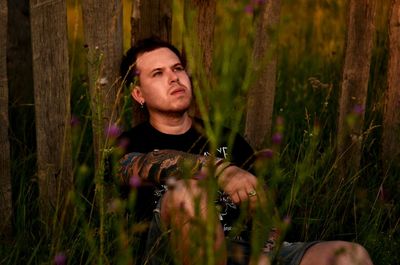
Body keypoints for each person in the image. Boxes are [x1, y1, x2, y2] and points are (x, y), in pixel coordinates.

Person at [117, 37, 373, 265]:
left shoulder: (225, 137)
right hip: (173, 250)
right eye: (158, 73)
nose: (174, 78)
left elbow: (262, 206)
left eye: (178, 68)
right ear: (138, 93)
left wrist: (264, 254)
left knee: (351, 256)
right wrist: (222, 171)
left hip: (244, 250)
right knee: (187, 193)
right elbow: (136, 165)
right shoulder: (130, 142)